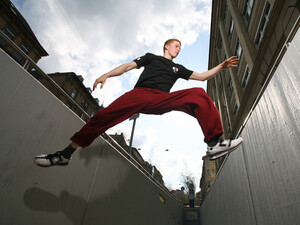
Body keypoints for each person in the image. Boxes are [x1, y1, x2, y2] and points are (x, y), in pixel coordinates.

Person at [34, 39, 243, 167]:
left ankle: (214, 143)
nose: (178, 50)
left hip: (160, 99)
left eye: (180, 48)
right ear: (167, 46)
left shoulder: (178, 68)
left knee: (198, 94)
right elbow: (127, 67)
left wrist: (221, 66)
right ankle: (64, 155)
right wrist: (107, 74)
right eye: (176, 46)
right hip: (139, 94)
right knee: (103, 117)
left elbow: (203, 76)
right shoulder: (151, 57)